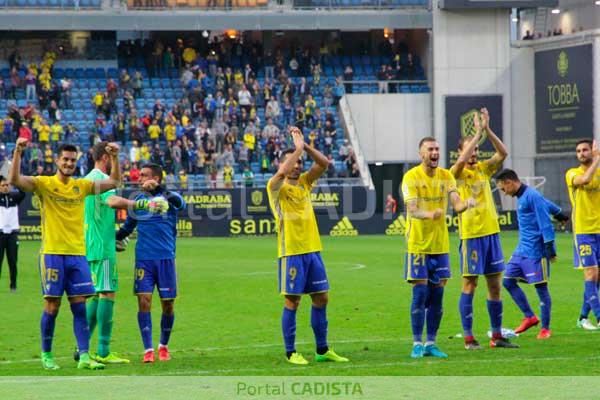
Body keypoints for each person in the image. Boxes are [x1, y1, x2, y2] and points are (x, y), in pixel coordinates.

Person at [10, 138, 122, 370]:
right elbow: (15, 180)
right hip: (52, 253)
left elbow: (114, 181)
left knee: (79, 306)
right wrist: (18, 152)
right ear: (57, 160)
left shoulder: (81, 186)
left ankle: (83, 356)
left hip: (77, 255)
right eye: (65, 159)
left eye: (72, 160)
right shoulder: (44, 183)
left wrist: (114, 156)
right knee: (52, 306)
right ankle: (47, 354)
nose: (69, 163)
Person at [267, 127, 349, 365]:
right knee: (293, 301)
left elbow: (323, 163)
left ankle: (322, 350)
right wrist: (297, 149)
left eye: (299, 162)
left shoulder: (304, 182)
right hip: (291, 252)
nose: (297, 165)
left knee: (321, 298)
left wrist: (306, 145)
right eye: (293, 162)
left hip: (313, 250)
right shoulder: (276, 186)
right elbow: (282, 171)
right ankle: (291, 352)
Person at [81, 142, 167, 365]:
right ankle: (102, 350)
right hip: (102, 246)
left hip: (94, 243)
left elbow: (108, 197)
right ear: (105, 158)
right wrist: (142, 205)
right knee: (107, 293)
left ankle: (82, 346)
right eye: (112, 159)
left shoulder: (90, 176)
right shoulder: (98, 178)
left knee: (99, 292)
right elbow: (111, 201)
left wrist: (115, 236)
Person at [450, 108, 518, 349]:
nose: (474, 154)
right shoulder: (455, 174)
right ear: (460, 152)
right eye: (470, 149)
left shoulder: (483, 169)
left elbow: (503, 153)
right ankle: (468, 337)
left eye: (477, 150)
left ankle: (497, 336)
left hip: (491, 234)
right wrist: (476, 135)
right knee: (470, 284)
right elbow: (459, 163)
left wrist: (486, 131)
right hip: (471, 236)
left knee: (494, 285)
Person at [402, 136, 475, 359]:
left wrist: (466, 204)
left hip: (440, 245)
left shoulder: (447, 176)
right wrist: (430, 214)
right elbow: (413, 210)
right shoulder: (411, 177)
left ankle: (431, 343)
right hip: (417, 245)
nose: (435, 153)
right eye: (430, 149)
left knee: (437, 295)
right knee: (421, 292)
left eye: (437, 149)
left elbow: (456, 203)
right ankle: (416, 343)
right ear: (421, 153)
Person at [116, 163, 186, 363]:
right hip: (144, 260)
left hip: (166, 258)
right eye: (139, 175)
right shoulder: (138, 201)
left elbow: (182, 205)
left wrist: (158, 191)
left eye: (144, 176)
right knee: (144, 301)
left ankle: (163, 346)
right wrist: (113, 239)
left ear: (156, 178)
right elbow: (127, 228)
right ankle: (148, 349)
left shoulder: (170, 197)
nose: (139, 179)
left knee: (168, 305)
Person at [496, 169, 558, 340]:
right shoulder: (524, 196)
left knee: (541, 288)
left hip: (536, 251)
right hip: (521, 250)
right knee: (508, 282)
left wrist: (550, 249)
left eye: (503, 189)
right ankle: (530, 316)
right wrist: (559, 212)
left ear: (509, 182)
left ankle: (545, 328)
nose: (504, 192)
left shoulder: (532, 196)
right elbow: (548, 204)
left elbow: (545, 224)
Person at [565, 139, 600, 331]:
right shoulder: (572, 173)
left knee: (597, 278)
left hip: (599, 230)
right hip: (583, 231)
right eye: (578, 151)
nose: (582, 153)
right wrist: (597, 159)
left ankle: (582, 317)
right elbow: (585, 180)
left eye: (585, 150)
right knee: (591, 273)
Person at [0, 175, 25, 292]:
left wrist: (14, 179)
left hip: (12, 235)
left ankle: (13, 286)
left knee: (13, 261)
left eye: (7, 185)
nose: (5, 187)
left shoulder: (14, 197)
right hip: (0, 234)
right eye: (3, 185)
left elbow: (23, 192)